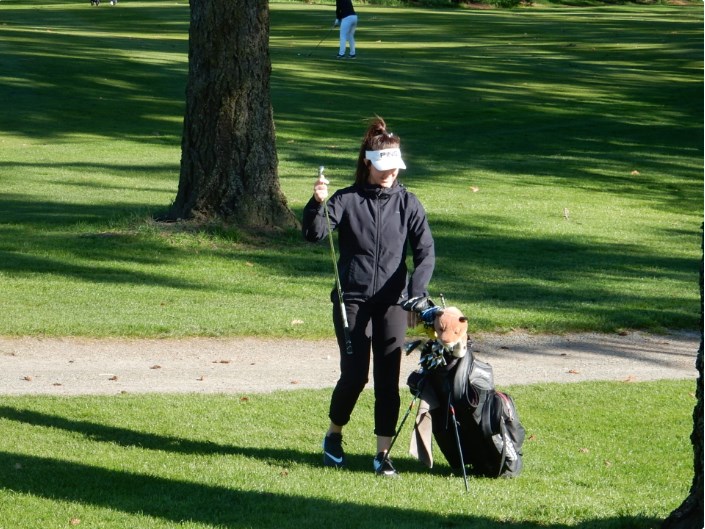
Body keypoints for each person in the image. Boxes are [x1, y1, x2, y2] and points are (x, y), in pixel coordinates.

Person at [302, 117, 435, 477]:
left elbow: (426, 252)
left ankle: (383, 453)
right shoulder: (346, 199)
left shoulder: (409, 203)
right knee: (355, 375)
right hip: (353, 300)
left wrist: (416, 293)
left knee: (387, 378)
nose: (390, 173)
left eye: (394, 168)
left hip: (394, 303)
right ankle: (334, 435)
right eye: (383, 167)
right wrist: (317, 203)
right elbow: (315, 235)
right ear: (368, 163)